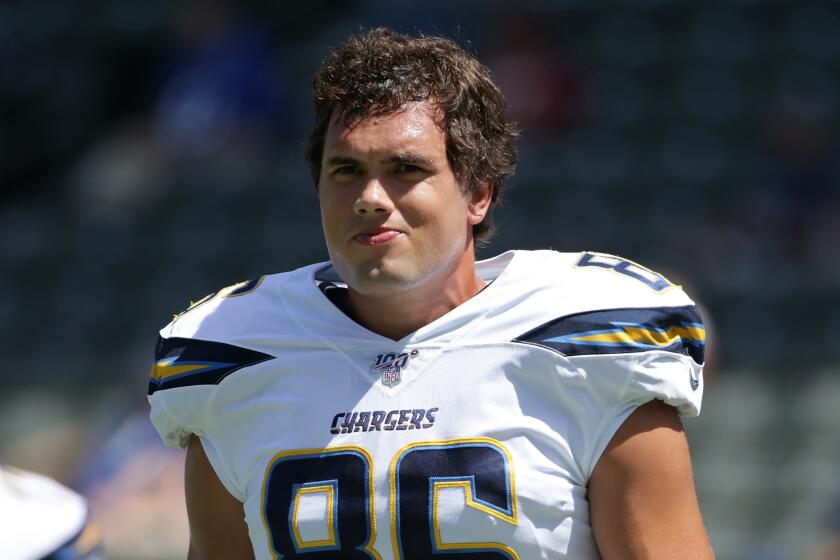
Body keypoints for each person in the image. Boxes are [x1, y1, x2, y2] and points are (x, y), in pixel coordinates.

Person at [148, 28, 714, 559]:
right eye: (345, 169)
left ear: (478, 194)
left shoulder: (583, 338)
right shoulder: (234, 354)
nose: (370, 196)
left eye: (405, 168)